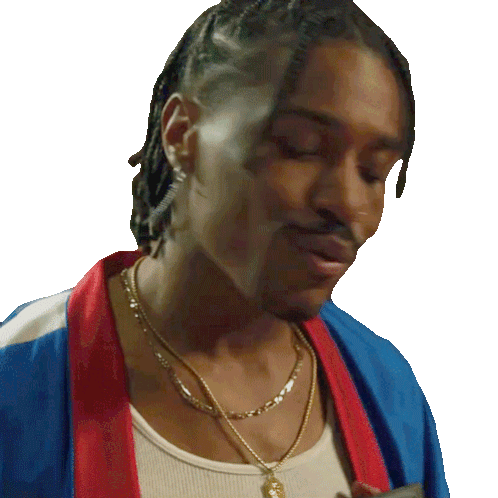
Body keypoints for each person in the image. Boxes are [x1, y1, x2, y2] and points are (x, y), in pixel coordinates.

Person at [0, 1, 449, 497]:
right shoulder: (17, 383)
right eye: (299, 147)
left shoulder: (387, 389)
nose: (347, 203)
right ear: (182, 134)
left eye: (374, 173)